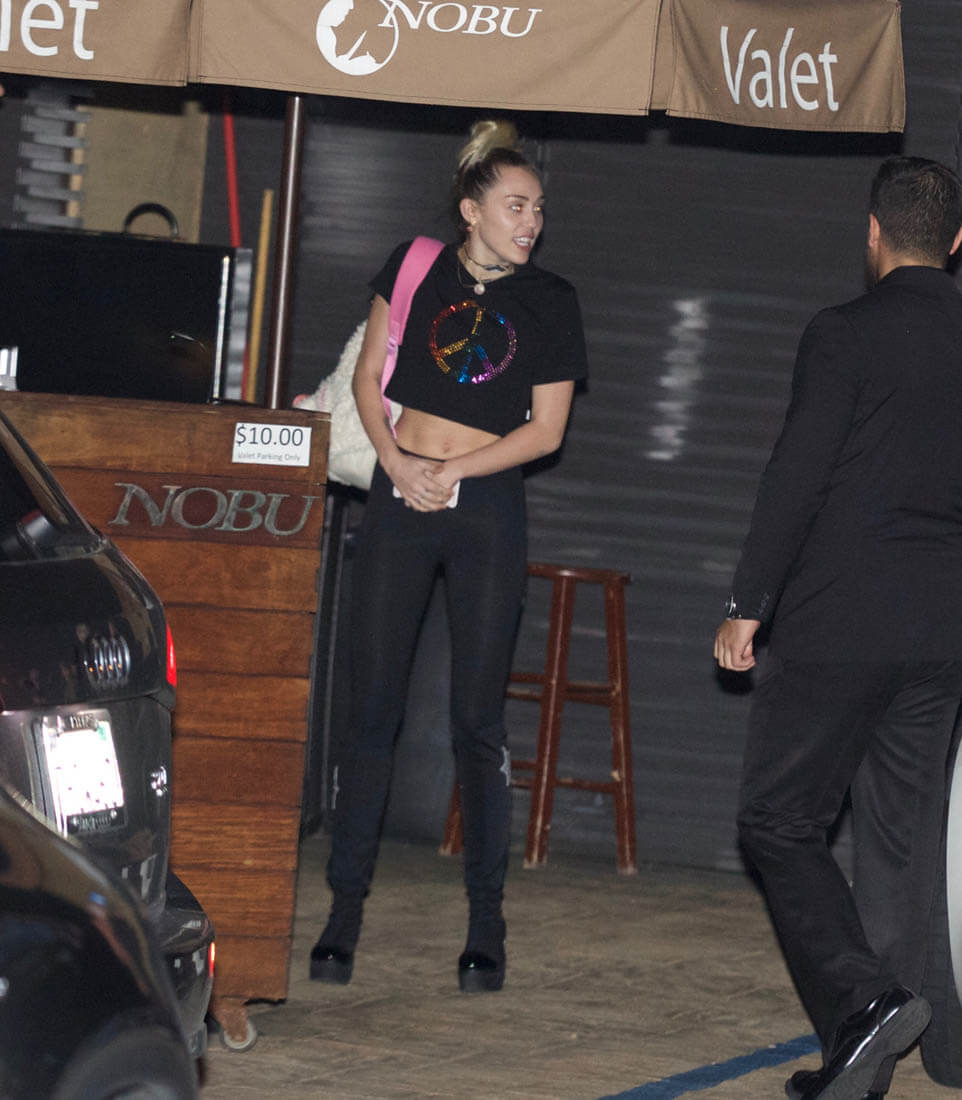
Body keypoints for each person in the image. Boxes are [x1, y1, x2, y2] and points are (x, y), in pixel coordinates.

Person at [310, 119, 588, 993]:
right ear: (472, 210)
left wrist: (453, 472)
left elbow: (546, 432)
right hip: (399, 495)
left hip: (486, 508)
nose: (531, 221)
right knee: (372, 710)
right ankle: (342, 917)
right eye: (515, 206)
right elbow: (368, 378)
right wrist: (398, 466)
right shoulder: (413, 265)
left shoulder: (552, 300)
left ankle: (485, 926)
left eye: (538, 209)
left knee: (476, 720)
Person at [715, 156, 962, 1100]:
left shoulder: (843, 333)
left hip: (840, 621)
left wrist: (749, 601)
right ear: (956, 241)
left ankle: (863, 1005)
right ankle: (908, 1052)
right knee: (904, 846)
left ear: (872, 233)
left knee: (777, 818)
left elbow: (798, 472)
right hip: (943, 630)